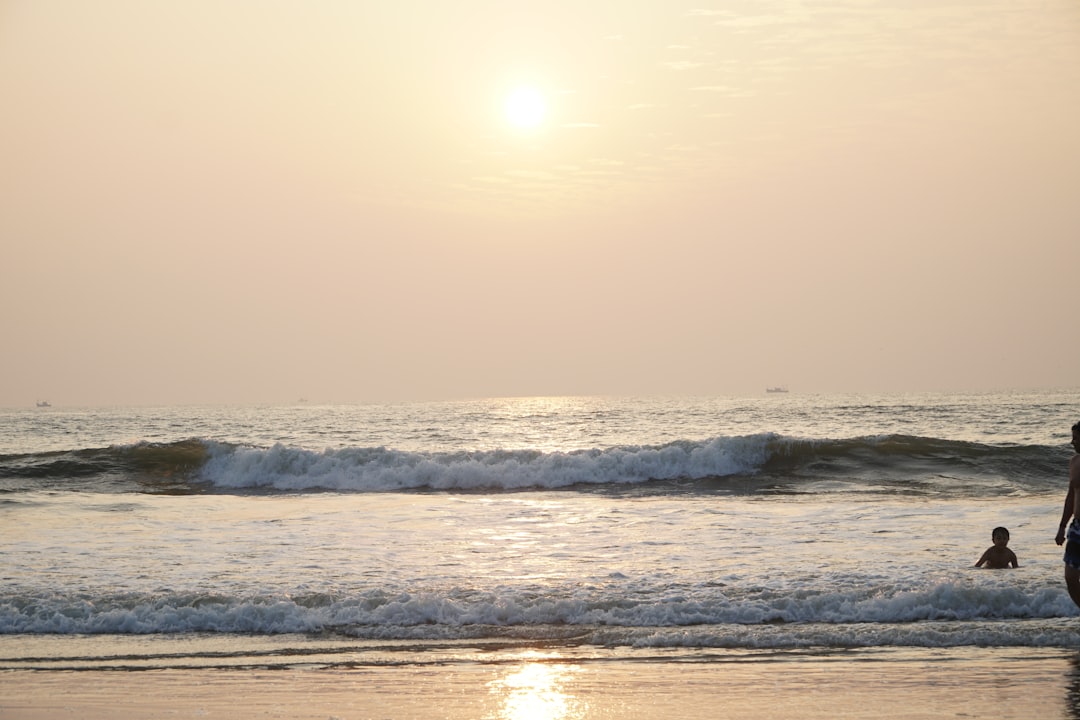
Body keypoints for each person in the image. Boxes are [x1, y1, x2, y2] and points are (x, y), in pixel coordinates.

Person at [1055, 421, 1080, 609]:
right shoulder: (1074, 462)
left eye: (1076, 438)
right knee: (1070, 578)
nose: (1072, 442)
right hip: (1077, 527)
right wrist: (1062, 527)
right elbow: (1071, 496)